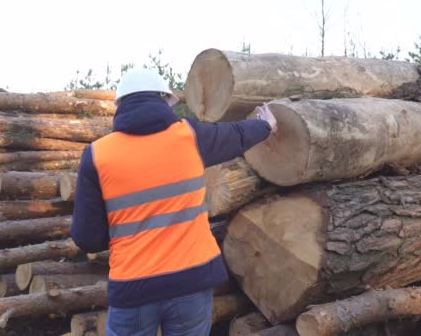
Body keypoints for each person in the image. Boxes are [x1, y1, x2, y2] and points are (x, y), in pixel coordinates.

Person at [70, 68, 276, 336]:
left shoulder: (97, 155)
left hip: (133, 287)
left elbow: (88, 238)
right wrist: (266, 125)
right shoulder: (190, 136)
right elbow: (236, 134)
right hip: (190, 281)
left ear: (119, 105)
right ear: (165, 100)